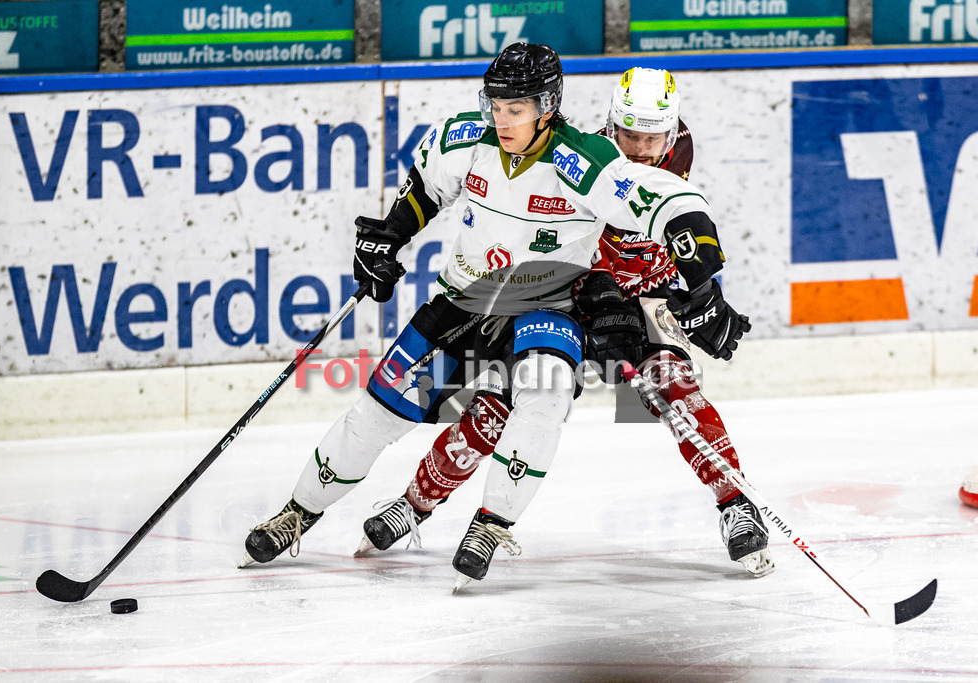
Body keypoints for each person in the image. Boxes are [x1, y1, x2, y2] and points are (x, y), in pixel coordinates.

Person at [241, 47, 749, 591]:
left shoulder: (588, 163)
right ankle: (306, 511)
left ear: (548, 105)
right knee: (381, 415)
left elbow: (672, 202)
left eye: (517, 108)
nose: (502, 119)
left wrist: (701, 292)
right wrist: (387, 235)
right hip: (473, 301)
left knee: (559, 394)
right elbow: (425, 188)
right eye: (496, 105)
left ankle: (494, 522)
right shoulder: (465, 139)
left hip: (554, 309)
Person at [356, 67, 774, 579]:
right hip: (569, 296)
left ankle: (736, 504)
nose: (641, 148)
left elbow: (678, 224)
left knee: (673, 388)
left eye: (652, 137)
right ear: (609, 126)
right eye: (629, 135)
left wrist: (704, 296)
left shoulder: (679, 150)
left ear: (672, 129)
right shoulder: (580, 158)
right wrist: (596, 291)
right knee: (500, 406)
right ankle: (415, 504)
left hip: (643, 293)